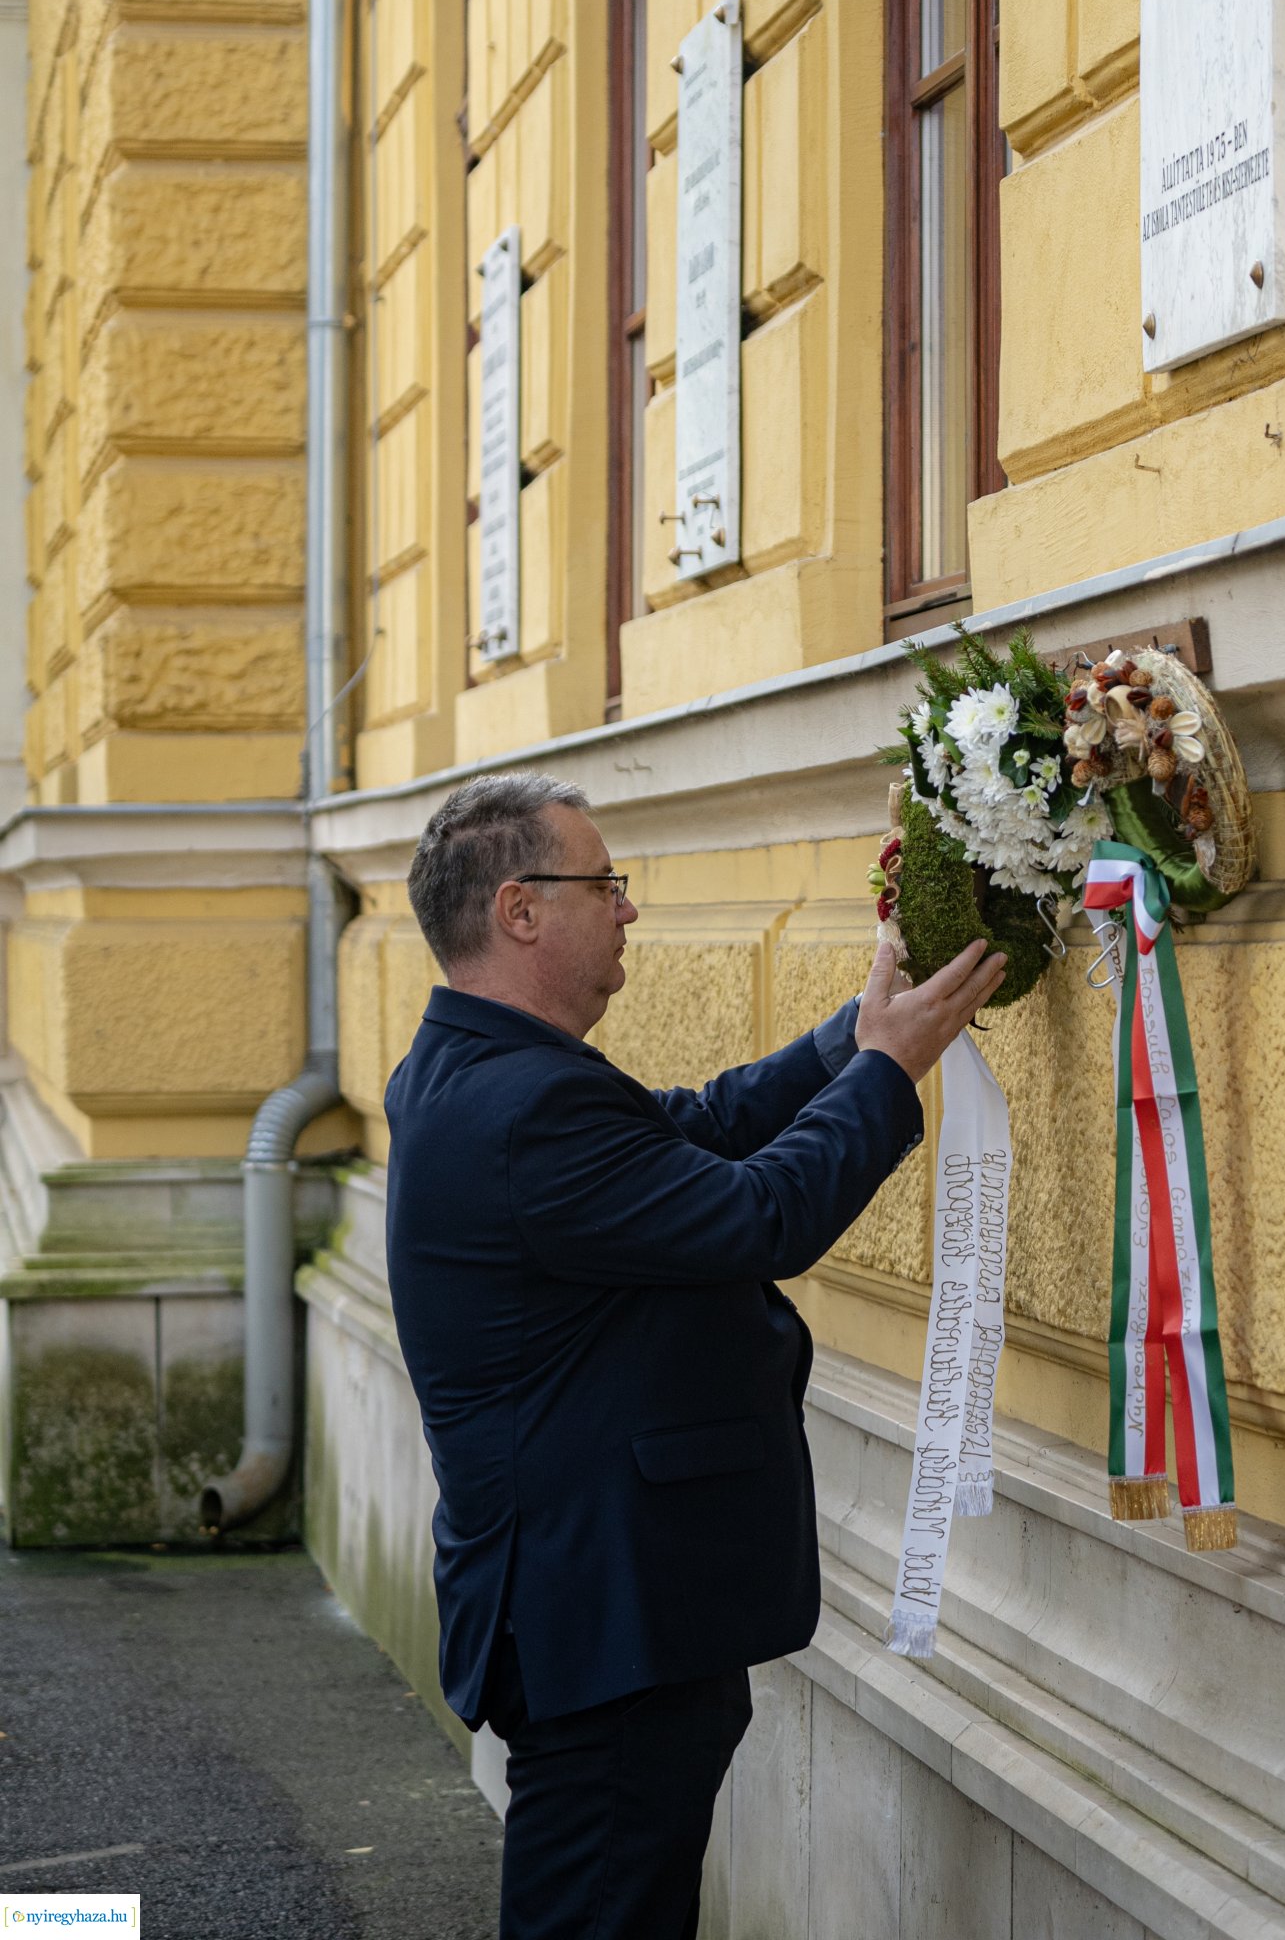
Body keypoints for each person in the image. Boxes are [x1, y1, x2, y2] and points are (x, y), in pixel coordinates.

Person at [384, 769, 1005, 1940]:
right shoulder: (521, 1105)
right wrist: (887, 1073)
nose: (627, 908)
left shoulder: (484, 1070)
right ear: (520, 911)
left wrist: (853, 1036)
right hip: (600, 1614)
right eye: (605, 884)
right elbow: (757, 1214)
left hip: (597, 1601)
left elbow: (698, 1131)